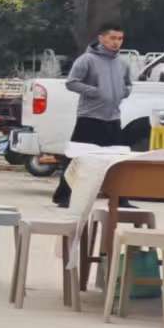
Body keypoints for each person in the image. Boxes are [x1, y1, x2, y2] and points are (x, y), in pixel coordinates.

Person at [53, 22, 131, 207]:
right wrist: (95, 92)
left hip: (113, 118)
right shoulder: (86, 60)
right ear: (101, 38)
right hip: (89, 118)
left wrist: (124, 92)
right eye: (112, 38)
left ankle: (120, 199)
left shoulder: (122, 63)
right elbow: (71, 82)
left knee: (118, 160)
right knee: (77, 159)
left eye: (120, 38)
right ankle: (63, 196)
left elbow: (128, 84)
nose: (116, 42)